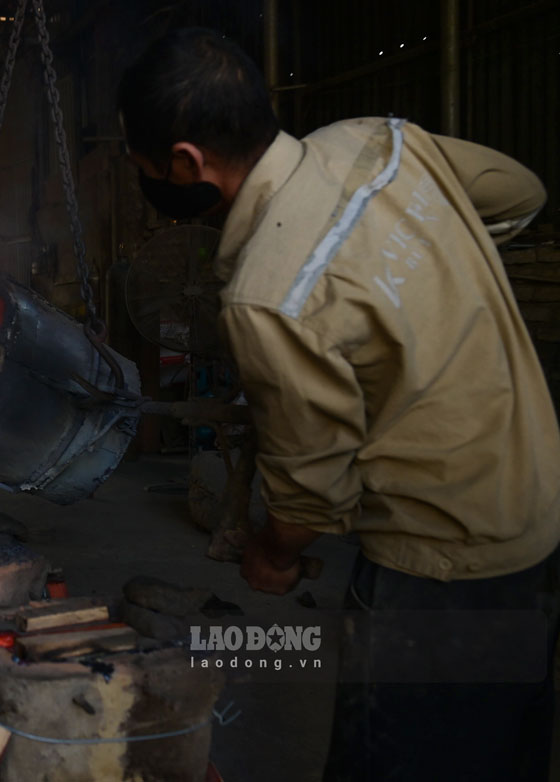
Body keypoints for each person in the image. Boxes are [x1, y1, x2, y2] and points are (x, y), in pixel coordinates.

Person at [119, 28, 559, 781]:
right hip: (540, 519)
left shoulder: (270, 294)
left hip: (438, 572)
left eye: (146, 166)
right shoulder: (380, 143)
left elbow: (309, 497)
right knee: (503, 749)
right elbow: (521, 191)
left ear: (188, 164)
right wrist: (427, 276)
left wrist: (270, 554)